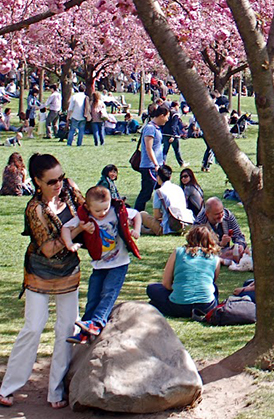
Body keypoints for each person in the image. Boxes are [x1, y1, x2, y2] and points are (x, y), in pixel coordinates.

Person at [0, 154, 86, 408]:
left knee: (67, 328)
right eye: (51, 181)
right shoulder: (35, 208)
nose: (58, 184)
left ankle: (56, 390)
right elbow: (48, 248)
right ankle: (9, 387)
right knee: (34, 327)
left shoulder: (70, 191)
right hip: (40, 270)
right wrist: (78, 230)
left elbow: (90, 211)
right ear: (37, 182)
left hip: (68, 270)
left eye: (60, 178)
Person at [60, 185, 142, 343]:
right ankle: (85, 329)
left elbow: (137, 214)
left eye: (106, 208)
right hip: (99, 265)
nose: (103, 213)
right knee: (93, 296)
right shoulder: (84, 217)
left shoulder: (115, 212)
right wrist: (70, 243)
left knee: (108, 292)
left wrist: (136, 230)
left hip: (119, 263)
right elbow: (65, 228)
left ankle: (97, 323)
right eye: (98, 211)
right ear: (88, 207)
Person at [146, 224, 221, 318]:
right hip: (206, 307)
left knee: (152, 289)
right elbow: (212, 281)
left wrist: (180, 288)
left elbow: (166, 284)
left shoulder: (178, 252)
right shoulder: (215, 258)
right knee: (214, 288)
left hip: (178, 307)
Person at [141, 165, 195, 236]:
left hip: (167, 228)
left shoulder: (159, 192)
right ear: (170, 177)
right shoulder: (178, 188)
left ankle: (143, 230)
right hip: (183, 223)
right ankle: (146, 230)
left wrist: (163, 216)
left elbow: (156, 216)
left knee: (142, 214)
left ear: (158, 177)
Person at [135, 104, 168, 212]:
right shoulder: (150, 128)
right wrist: (156, 164)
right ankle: (137, 215)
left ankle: (164, 214)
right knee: (146, 193)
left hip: (157, 165)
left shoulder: (156, 128)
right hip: (149, 166)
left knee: (162, 191)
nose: (167, 120)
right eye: (167, 117)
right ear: (162, 115)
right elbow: (149, 148)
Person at [195, 197, 248, 263]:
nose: (221, 215)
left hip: (225, 251)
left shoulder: (227, 215)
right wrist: (221, 244)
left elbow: (239, 236)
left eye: (221, 212)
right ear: (207, 214)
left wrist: (240, 246)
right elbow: (199, 247)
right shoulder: (200, 223)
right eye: (217, 214)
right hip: (208, 252)